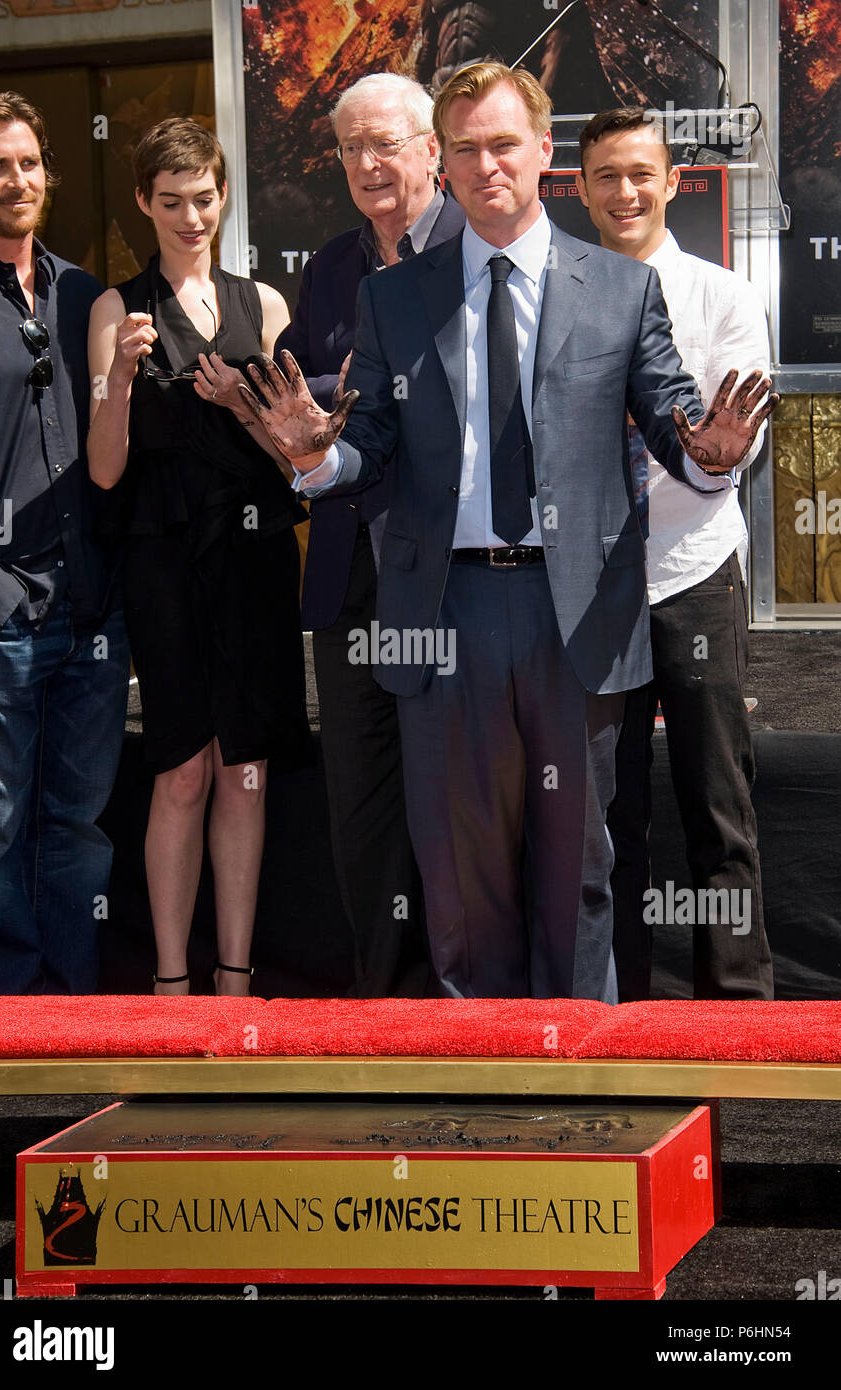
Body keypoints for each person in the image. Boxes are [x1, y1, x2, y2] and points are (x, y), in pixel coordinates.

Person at [236, 63, 776, 1000]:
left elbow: (674, 422)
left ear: (544, 154)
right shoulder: (396, 296)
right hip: (445, 613)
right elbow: (368, 444)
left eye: (504, 145)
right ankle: (477, 1101)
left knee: (582, 875)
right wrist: (314, 461)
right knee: (460, 880)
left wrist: (715, 455)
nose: (487, 166)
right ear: (441, 162)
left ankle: (575, 1096)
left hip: (577, 615)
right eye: (467, 149)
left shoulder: (618, 289)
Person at [87, 118, 310, 996]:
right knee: (181, 767)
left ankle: (235, 981)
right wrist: (121, 382)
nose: (191, 217)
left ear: (224, 197)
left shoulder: (268, 305)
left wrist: (246, 409)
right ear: (144, 202)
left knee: (246, 769)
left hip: (255, 558)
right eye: (171, 201)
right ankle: (171, 987)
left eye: (204, 199)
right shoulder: (117, 309)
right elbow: (105, 467)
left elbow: (297, 454)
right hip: (166, 562)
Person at [576, 107, 774, 1001]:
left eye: (641, 174)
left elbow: (741, 440)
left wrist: (719, 453)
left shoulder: (723, 297)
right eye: (607, 175)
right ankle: (617, 1017)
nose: (626, 192)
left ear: (671, 182)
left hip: (693, 573)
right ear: (579, 188)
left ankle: (738, 1019)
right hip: (590, 588)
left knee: (717, 807)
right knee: (606, 819)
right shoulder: (557, 298)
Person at [275, 73, 465, 997]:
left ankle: (463, 1006)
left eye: (385, 142)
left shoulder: (484, 251)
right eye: (351, 148)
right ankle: (382, 1003)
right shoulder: (330, 269)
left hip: (459, 578)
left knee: (460, 799)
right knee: (363, 805)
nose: (368, 163)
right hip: (350, 576)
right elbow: (314, 400)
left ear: (433, 148)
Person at [0, 91, 129, 996]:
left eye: (28, 162)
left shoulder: (81, 296)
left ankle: (74, 1019)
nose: (16, 179)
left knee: (77, 828)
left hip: (89, 610)